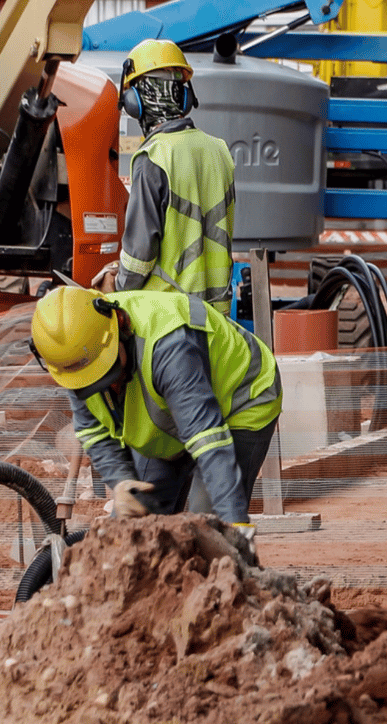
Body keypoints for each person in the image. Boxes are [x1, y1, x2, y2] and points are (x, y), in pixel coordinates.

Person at [29, 286, 281, 540]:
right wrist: (121, 481)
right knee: (131, 532)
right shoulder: (76, 355)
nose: (106, 385)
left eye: (109, 371)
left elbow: (207, 440)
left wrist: (233, 525)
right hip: (167, 414)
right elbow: (93, 432)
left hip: (241, 396)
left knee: (206, 534)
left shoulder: (168, 345)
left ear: (120, 325)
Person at [99, 39, 238, 317]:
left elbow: (140, 256)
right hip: (216, 318)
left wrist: (115, 286)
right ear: (185, 98)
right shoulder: (220, 150)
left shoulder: (153, 157)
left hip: (169, 320)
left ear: (135, 102)